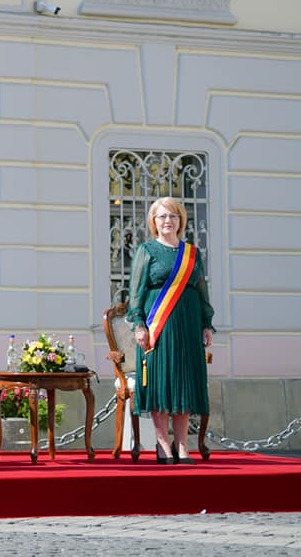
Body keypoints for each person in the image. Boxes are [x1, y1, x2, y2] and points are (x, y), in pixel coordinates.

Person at [127, 197, 214, 465]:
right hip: (158, 326)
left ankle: (182, 444)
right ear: (154, 221)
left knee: (184, 382)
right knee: (160, 381)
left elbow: (202, 290)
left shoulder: (192, 253)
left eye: (173, 216)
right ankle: (163, 443)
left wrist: (206, 323)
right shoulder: (147, 250)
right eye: (162, 216)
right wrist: (139, 324)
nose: (168, 221)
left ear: (180, 220)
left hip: (188, 324)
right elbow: (135, 292)